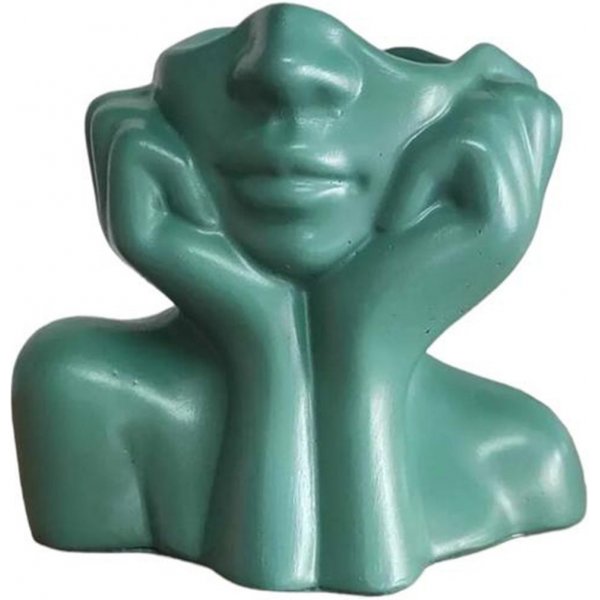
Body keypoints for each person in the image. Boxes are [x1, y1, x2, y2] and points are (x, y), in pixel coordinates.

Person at [13, 3, 585, 594]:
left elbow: (351, 575)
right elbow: (287, 574)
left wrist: (359, 348)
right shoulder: (79, 389)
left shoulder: (526, 456)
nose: (284, 68)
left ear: (495, 138)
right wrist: (267, 339)